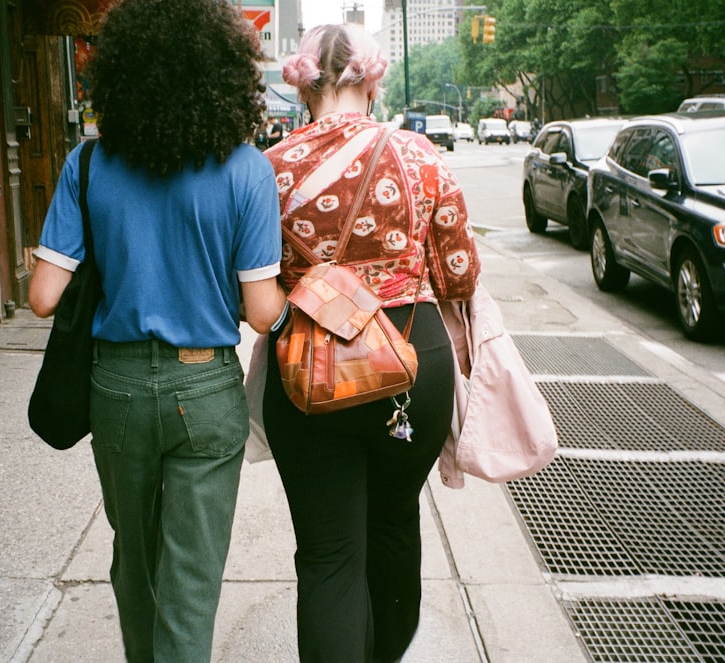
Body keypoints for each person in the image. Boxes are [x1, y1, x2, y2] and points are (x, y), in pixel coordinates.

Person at [27, 1, 286, 661]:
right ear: (225, 75)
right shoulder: (249, 170)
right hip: (205, 389)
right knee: (190, 581)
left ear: (122, 73)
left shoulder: (87, 166)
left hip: (115, 388)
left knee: (134, 564)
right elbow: (261, 312)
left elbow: (42, 295)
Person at [262, 23, 481, 663]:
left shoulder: (268, 170)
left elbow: (250, 283)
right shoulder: (418, 157)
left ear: (303, 85)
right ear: (372, 79)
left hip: (309, 370)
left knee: (329, 554)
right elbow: (460, 274)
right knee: (393, 524)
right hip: (412, 361)